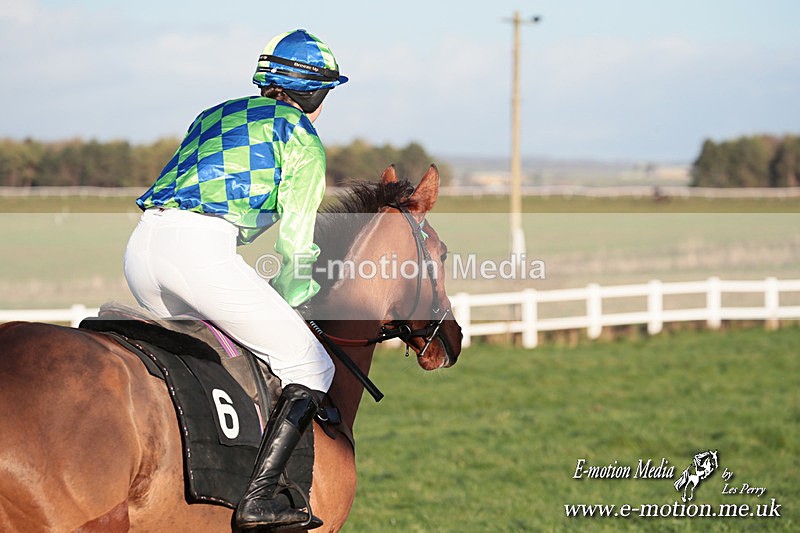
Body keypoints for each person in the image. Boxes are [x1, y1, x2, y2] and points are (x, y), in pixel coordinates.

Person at [123, 29, 347, 530]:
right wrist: (294, 301)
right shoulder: (302, 138)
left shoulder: (215, 113)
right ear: (316, 94)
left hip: (141, 250)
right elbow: (295, 246)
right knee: (311, 364)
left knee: (216, 354)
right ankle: (259, 499)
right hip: (199, 253)